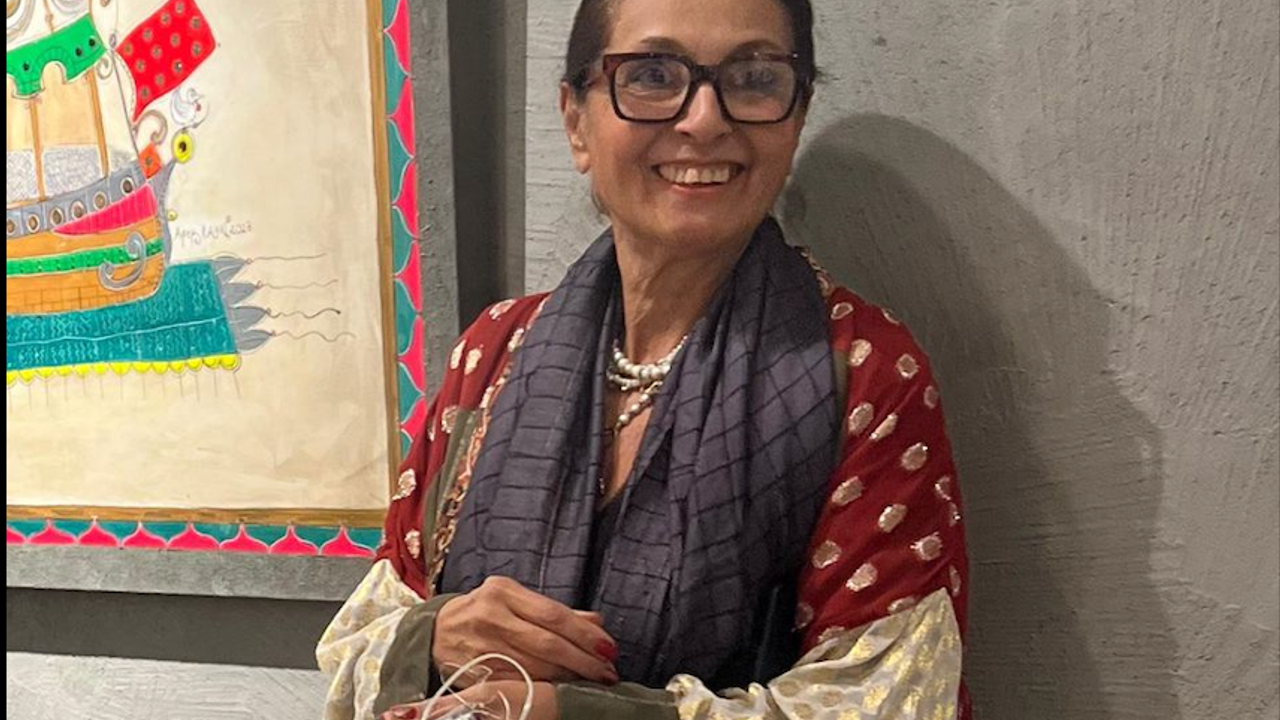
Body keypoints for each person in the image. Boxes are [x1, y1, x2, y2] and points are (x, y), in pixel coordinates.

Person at [318, 0, 971, 717]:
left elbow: (890, 696)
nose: (704, 120)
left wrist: (576, 713)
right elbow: (357, 642)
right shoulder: (494, 351)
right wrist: (435, 636)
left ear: (797, 118)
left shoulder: (860, 371)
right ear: (576, 120)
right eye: (653, 75)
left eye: (754, 78)